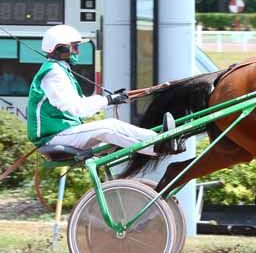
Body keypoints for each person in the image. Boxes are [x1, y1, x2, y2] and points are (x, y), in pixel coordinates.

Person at [27, 24, 180, 155]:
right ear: (61, 49)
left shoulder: (60, 70)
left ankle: (154, 147)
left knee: (113, 139)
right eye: (75, 47)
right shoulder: (53, 73)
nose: (78, 52)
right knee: (109, 126)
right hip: (53, 137)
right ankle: (158, 144)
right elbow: (77, 108)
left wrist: (111, 99)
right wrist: (107, 100)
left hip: (63, 133)